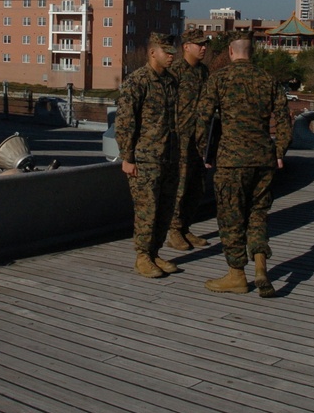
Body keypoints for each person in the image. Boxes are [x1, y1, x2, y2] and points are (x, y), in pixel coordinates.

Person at [195, 32, 292, 297]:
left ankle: (237, 275)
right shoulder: (268, 80)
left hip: (231, 161)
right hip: (263, 158)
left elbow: (202, 119)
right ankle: (261, 266)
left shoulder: (219, 79)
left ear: (230, 51)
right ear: (253, 52)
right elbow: (284, 119)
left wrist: (204, 153)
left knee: (231, 218)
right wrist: (279, 150)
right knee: (258, 214)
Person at [115, 33, 181, 278]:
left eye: (173, 51)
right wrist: (127, 157)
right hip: (145, 158)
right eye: (167, 51)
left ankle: (154, 253)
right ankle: (142, 257)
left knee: (165, 207)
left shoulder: (171, 81)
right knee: (147, 209)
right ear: (153, 52)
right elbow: (125, 122)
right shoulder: (137, 81)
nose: (172, 55)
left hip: (169, 156)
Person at [166, 27, 211, 252]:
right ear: (186, 47)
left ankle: (185, 227)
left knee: (197, 186)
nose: (203, 48)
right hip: (180, 139)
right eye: (199, 44)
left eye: (205, 45)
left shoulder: (203, 72)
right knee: (180, 186)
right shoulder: (175, 71)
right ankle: (173, 229)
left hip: (199, 140)